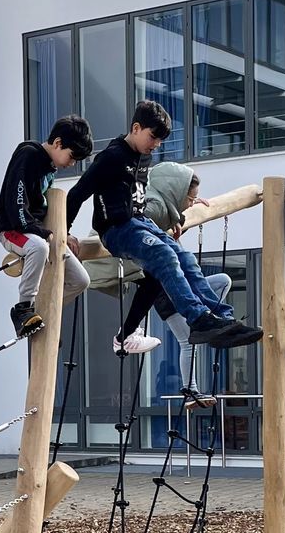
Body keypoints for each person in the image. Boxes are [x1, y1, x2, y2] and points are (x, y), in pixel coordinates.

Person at [67, 101, 260, 349]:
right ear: (136, 128)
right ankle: (198, 319)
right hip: (116, 228)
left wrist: (178, 214)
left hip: (141, 223)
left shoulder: (144, 157)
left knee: (186, 259)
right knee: (164, 255)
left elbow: (146, 198)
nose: (156, 144)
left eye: (160, 140)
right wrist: (65, 232)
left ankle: (223, 318)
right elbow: (77, 193)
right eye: (153, 137)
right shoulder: (111, 157)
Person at [111, 164, 235, 373]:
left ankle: (214, 316)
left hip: (159, 276)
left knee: (217, 280)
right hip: (160, 282)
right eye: (190, 199)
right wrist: (174, 220)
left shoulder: (163, 206)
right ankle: (189, 385)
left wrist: (181, 215)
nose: (191, 203)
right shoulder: (155, 207)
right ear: (177, 194)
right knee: (187, 342)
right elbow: (139, 227)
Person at [0, 114, 94, 338]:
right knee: (38, 247)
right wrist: (41, 231)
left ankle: (43, 315)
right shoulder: (28, 155)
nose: (72, 163)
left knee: (81, 280)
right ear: (58, 143)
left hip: (39, 233)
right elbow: (17, 202)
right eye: (72, 156)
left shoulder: (49, 168)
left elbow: (46, 210)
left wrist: (64, 233)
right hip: (14, 230)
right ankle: (23, 309)